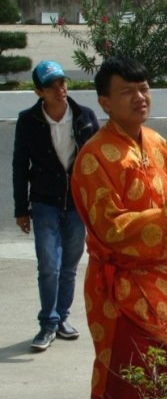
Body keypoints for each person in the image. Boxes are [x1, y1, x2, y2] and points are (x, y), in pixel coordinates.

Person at [70, 56, 167, 399]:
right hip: (120, 288)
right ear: (105, 103)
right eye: (127, 91)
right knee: (133, 382)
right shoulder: (94, 157)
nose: (140, 97)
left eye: (143, 88)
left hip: (161, 279)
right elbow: (110, 227)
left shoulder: (158, 143)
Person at [13, 61, 99, 352]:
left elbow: (99, 163)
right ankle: (47, 323)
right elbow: (19, 166)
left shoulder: (85, 117)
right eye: (51, 86)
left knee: (69, 266)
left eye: (61, 82)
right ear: (39, 91)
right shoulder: (28, 121)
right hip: (44, 203)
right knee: (48, 264)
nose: (59, 89)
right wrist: (21, 209)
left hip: (77, 204)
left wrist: (99, 203)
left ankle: (62, 318)